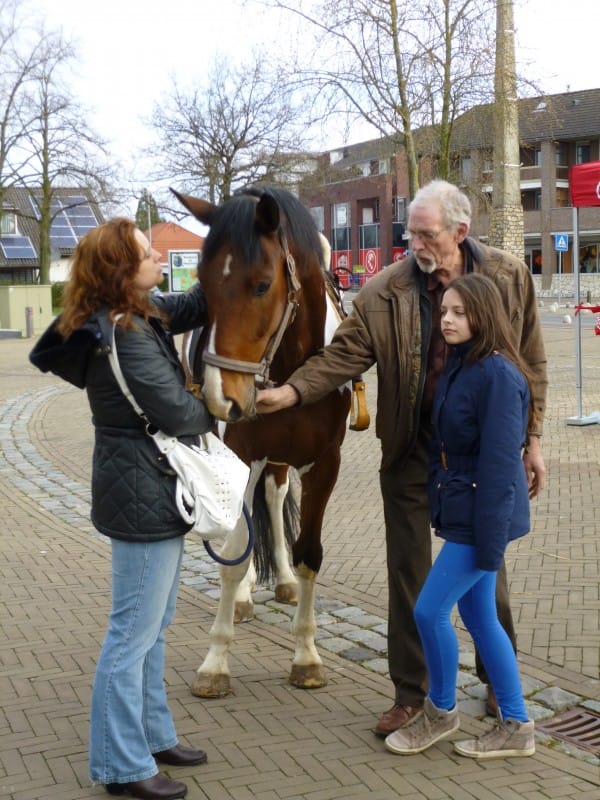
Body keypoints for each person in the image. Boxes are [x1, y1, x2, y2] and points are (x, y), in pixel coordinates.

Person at [255, 179, 547, 736]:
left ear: (460, 233)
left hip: (484, 455)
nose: (413, 241)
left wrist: (532, 439)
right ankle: (412, 693)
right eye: (409, 231)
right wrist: (291, 392)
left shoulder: (508, 276)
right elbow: (343, 356)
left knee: (488, 566)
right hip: (412, 447)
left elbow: (530, 360)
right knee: (408, 572)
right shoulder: (383, 291)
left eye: (425, 233)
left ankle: (496, 681)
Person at [30, 219, 214, 800]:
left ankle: (153, 735)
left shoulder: (136, 311)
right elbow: (179, 415)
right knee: (131, 634)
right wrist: (230, 404)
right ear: (120, 271)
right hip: (143, 490)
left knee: (153, 627)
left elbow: (185, 307)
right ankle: (121, 765)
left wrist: (223, 252)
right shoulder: (125, 334)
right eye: (145, 253)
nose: (158, 256)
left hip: (147, 485)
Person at [385, 273, 536, 759]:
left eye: (459, 313)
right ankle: (516, 724)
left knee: (429, 610)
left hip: (482, 515)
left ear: (483, 316)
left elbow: (498, 466)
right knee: (480, 616)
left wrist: (489, 544)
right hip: (464, 507)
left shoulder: (499, 376)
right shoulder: (459, 364)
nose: (446, 321)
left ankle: (441, 710)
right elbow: (445, 446)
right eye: (444, 312)